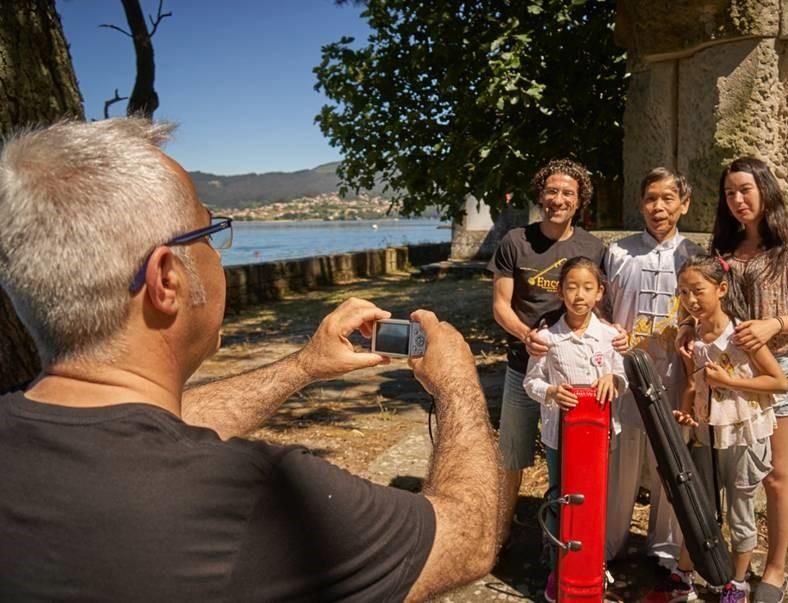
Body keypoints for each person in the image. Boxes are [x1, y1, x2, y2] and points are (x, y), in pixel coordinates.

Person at [0, 118, 499, 602]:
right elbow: (466, 541)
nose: (218, 254)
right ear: (167, 280)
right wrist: (457, 385)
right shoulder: (254, 496)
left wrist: (304, 366)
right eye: (210, 235)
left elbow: (144, 431)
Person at [681, 157, 788, 603]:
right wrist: (688, 328)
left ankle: (775, 568)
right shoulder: (721, 245)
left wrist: (772, 324)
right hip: (724, 373)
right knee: (727, 475)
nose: (738, 200)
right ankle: (730, 566)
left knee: (775, 474)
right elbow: (699, 296)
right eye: (729, 193)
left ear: (765, 189)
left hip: (775, 368)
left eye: (746, 189)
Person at [644, 255, 788, 603]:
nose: (691, 300)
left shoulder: (742, 335)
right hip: (705, 431)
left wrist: (729, 381)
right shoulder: (692, 335)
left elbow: (778, 382)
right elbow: (694, 384)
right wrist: (685, 410)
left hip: (743, 433)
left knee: (740, 509)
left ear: (721, 289)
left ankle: (735, 583)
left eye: (698, 291)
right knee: (699, 505)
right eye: (683, 293)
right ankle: (684, 575)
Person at [488, 159, 606, 544]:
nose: (558, 199)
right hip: (524, 368)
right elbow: (501, 306)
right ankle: (500, 534)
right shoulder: (515, 241)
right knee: (512, 455)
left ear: (579, 200)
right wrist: (525, 334)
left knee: (569, 464)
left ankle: (563, 538)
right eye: (551, 191)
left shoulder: (593, 247)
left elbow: (600, 307)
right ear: (540, 195)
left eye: (567, 193)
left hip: (574, 378)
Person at [603, 167, 705, 570]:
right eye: (650, 198)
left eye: (667, 198)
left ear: (684, 204)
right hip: (625, 374)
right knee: (621, 460)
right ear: (640, 203)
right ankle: (610, 542)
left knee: (672, 463)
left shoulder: (696, 255)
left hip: (676, 375)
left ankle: (664, 549)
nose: (658, 207)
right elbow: (604, 307)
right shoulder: (618, 252)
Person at [522, 257, 627, 602]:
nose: (579, 295)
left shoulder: (610, 336)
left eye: (587, 288)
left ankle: (592, 565)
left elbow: (622, 377)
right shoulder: (546, 337)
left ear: (600, 292)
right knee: (560, 500)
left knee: (595, 503)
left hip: (599, 437)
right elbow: (531, 382)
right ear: (560, 291)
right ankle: (559, 567)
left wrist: (614, 378)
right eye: (571, 286)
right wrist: (551, 392)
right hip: (559, 436)